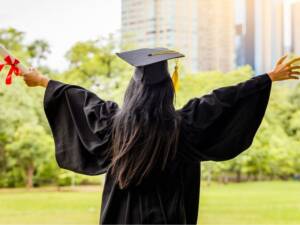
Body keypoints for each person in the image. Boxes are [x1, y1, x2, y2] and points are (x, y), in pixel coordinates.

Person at [22, 48, 300, 224]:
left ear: (134, 88)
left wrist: (43, 81)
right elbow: (223, 101)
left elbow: (80, 99)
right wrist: (268, 78)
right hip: (170, 218)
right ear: (168, 86)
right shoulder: (185, 125)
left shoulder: (112, 124)